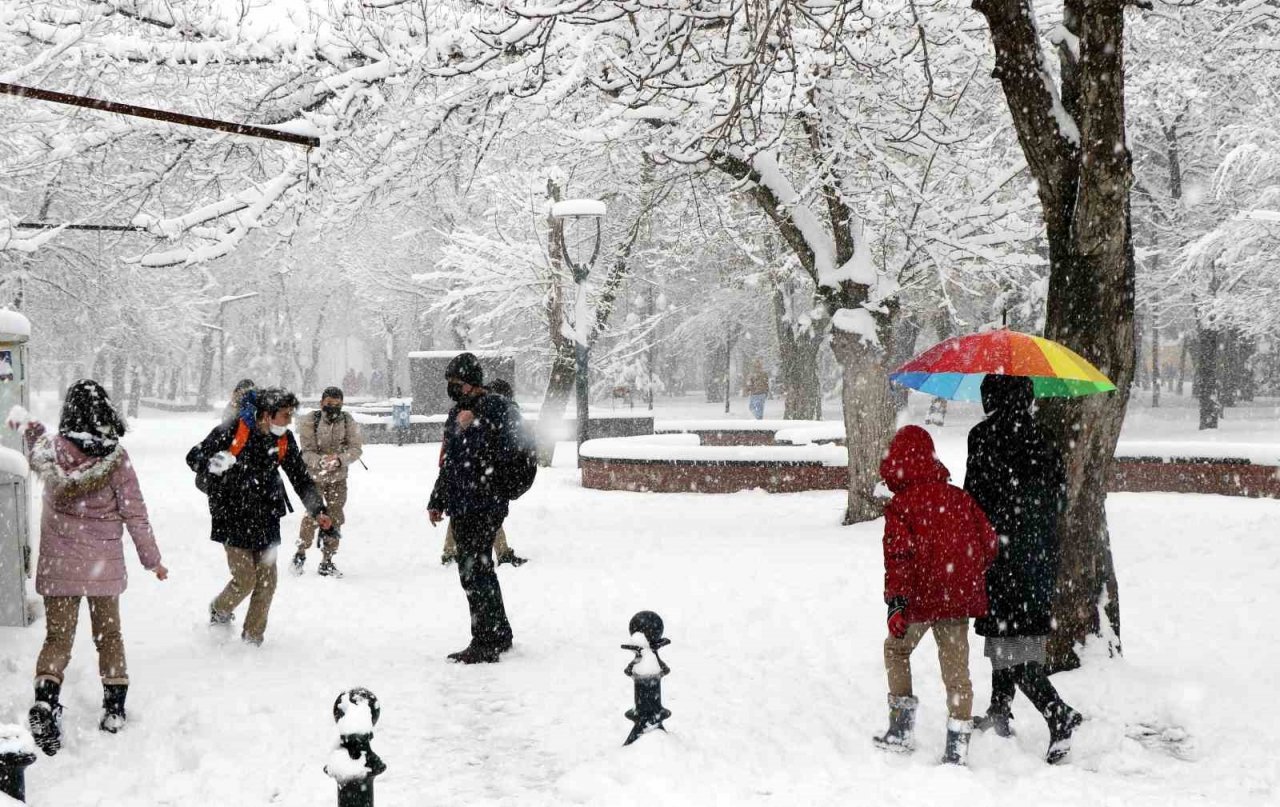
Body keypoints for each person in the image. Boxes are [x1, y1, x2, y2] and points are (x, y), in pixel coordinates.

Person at [12, 380, 167, 755]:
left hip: (59, 566)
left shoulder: (51, 452)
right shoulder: (117, 459)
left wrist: (25, 423)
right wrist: (153, 560)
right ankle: (113, 709)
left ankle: (46, 700)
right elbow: (136, 513)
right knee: (109, 637)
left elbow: (35, 441)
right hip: (103, 568)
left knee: (57, 640)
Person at [964, 374, 1084, 764]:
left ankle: (1058, 713)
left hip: (999, 553)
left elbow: (973, 500)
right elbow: (1062, 496)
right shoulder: (1045, 437)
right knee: (1017, 637)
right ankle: (1000, 709)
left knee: (1008, 644)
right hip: (1037, 556)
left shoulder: (982, 437)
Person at [873, 425, 998, 766]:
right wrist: (962, 571)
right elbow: (988, 544)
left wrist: (896, 604)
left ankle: (900, 729)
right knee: (957, 670)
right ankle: (957, 746)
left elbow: (898, 558)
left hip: (919, 599)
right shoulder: (958, 498)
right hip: (955, 596)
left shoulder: (901, 507)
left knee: (896, 650)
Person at [186, 387, 331, 646]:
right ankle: (219, 610)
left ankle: (253, 638)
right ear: (266, 415)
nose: (289, 420)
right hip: (231, 514)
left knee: (267, 582)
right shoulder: (232, 430)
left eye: (291, 415)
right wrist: (212, 462)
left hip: (266, 515)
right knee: (245, 579)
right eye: (285, 415)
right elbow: (193, 456)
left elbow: (300, 477)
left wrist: (318, 510)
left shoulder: (284, 439)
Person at [428, 354, 521, 664]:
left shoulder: (497, 408)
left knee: (474, 571)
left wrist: (474, 426)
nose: (451, 390)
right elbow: (451, 460)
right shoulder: (458, 411)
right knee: (479, 569)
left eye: (454, 384)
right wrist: (438, 499)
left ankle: (485, 640)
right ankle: (499, 633)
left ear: (469, 383)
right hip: (463, 502)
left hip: (485, 501)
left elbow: (504, 450)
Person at [441, 379, 527, 568]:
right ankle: (500, 553)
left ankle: (450, 551)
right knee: (473, 514)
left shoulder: (479, 409)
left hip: (473, 475)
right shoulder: (481, 412)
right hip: (474, 475)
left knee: (463, 513)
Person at [292, 386, 363, 578]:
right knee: (312, 516)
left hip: (338, 479)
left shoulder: (348, 420)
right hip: (315, 478)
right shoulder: (310, 420)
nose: (333, 408)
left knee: (336, 518)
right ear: (322, 403)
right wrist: (320, 461)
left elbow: (356, 449)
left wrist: (340, 459)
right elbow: (306, 451)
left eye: (338, 404)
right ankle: (300, 553)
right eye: (330, 404)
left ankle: (327, 560)